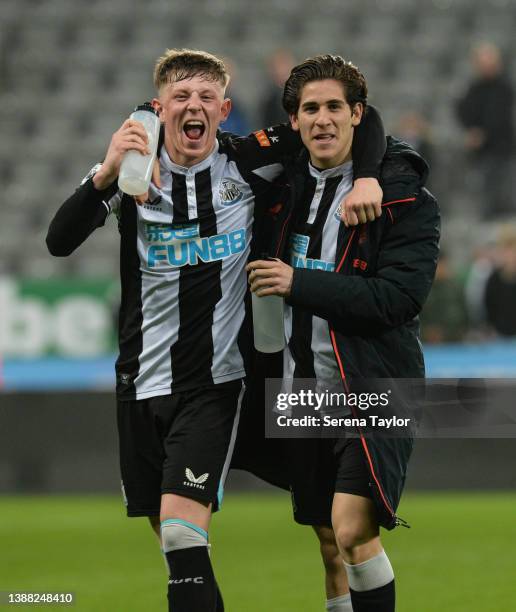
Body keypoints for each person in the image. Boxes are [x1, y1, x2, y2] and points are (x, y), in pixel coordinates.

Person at [46, 49, 386, 612]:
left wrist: (370, 175)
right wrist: (106, 170)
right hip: (138, 383)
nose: (194, 107)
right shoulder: (134, 171)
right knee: (174, 545)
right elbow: (59, 240)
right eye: (181, 97)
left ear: (225, 109)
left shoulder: (245, 160)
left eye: (207, 97)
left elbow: (360, 117)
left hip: (215, 383)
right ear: (159, 109)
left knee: (189, 532)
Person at [247, 55, 440, 611]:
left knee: (352, 530)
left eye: (335, 106)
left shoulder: (404, 201)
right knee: (331, 544)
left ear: (358, 114)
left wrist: (297, 282)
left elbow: (396, 301)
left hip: (376, 384)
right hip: (301, 388)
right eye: (311, 108)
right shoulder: (281, 194)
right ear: (295, 121)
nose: (323, 119)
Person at [456, 42, 515, 218]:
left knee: (503, 194)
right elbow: (463, 109)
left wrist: (483, 133)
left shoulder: (505, 87)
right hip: (481, 153)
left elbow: (500, 115)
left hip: (503, 149)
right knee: (484, 196)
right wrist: (471, 130)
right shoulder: (474, 88)